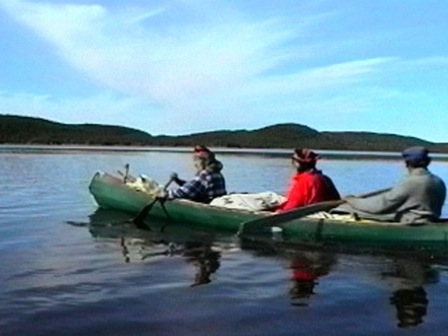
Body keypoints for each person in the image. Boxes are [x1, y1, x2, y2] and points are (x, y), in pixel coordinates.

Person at [341, 146, 446, 224]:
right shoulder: (438, 181)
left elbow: (380, 206)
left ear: (407, 163)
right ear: (427, 162)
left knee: (343, 209)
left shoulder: (411, 182)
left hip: (413, 223)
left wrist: (352, 200)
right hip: (430, 220)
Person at [276, 148, 340, 211]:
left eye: (293, 161)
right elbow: (337, 201)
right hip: (326, 213)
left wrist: (278, 210)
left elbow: (291, 207)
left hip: (310, 215)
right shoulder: (326, 178)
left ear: (298, 164)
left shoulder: (303, 181)